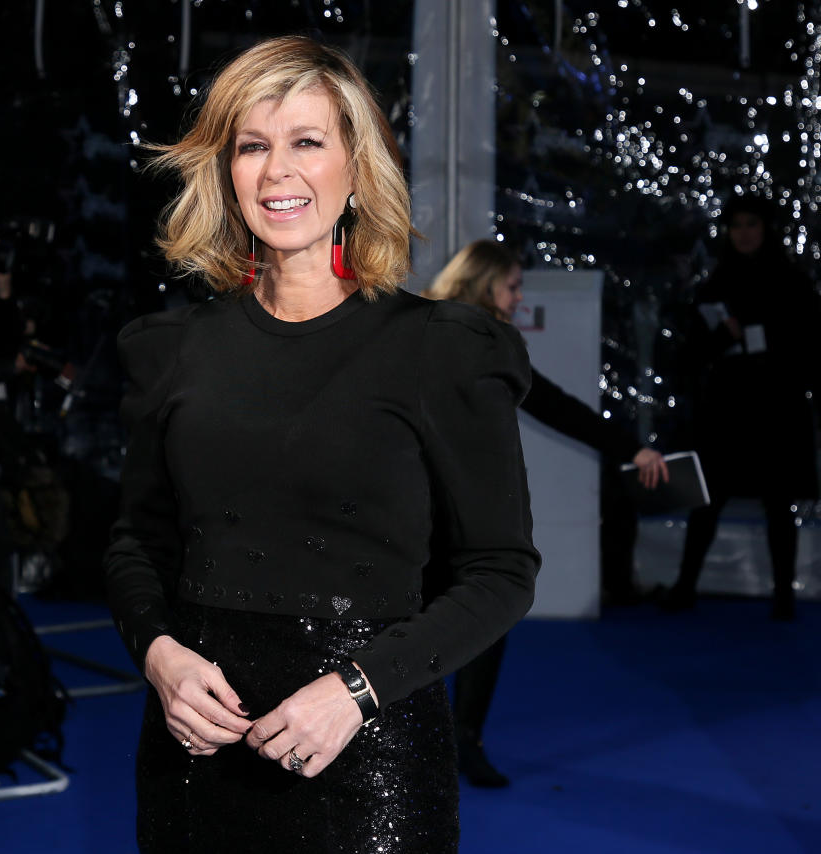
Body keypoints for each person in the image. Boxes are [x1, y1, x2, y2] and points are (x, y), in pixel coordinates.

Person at [104, 36, 539, 853]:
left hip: (368, 752)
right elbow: (137, 543)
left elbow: (500, 573)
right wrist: (158, 655)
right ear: (224, 170)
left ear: (356, 169)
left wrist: (355, 691)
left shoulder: (441, 350)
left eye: (306, 142)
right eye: (252, 146)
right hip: (195, 753)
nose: (277, 173)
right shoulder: (171, 350)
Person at [424, 238, 668, 787]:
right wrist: (632, 448)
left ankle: (445, 742)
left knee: (440, 623)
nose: (517, 299)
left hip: (422, 510)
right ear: (486, 285)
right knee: (480, 621)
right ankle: (460, 739)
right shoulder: (490, 341)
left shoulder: (421, 327)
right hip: (463, 513)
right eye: (512, 287)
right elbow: (556, 407)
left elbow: (552, 404)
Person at [663, 194, 821, 620]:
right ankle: (685, 588)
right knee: (709, 500)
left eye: (752, 225)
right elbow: (690, 356)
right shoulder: (715, 285)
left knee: (780, 504)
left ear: (766, 229)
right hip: (728, 407)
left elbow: (817, 352)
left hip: (779, 406)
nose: (743, 234)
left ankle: (784, 597)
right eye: (736, 225)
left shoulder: (793, 283)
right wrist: (725, 336)